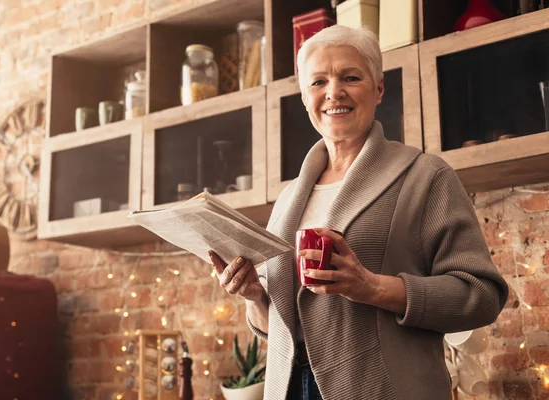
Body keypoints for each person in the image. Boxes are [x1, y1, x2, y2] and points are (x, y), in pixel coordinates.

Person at [208, 24, 508, 400]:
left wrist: (372, 287)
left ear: (378, 88)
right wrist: (255, 296)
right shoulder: (288, 200)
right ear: (304, 97)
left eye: (350, 77)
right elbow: (285, 328)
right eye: (318, 82)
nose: (334, 92)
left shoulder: (425, 176)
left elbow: (482, 296)